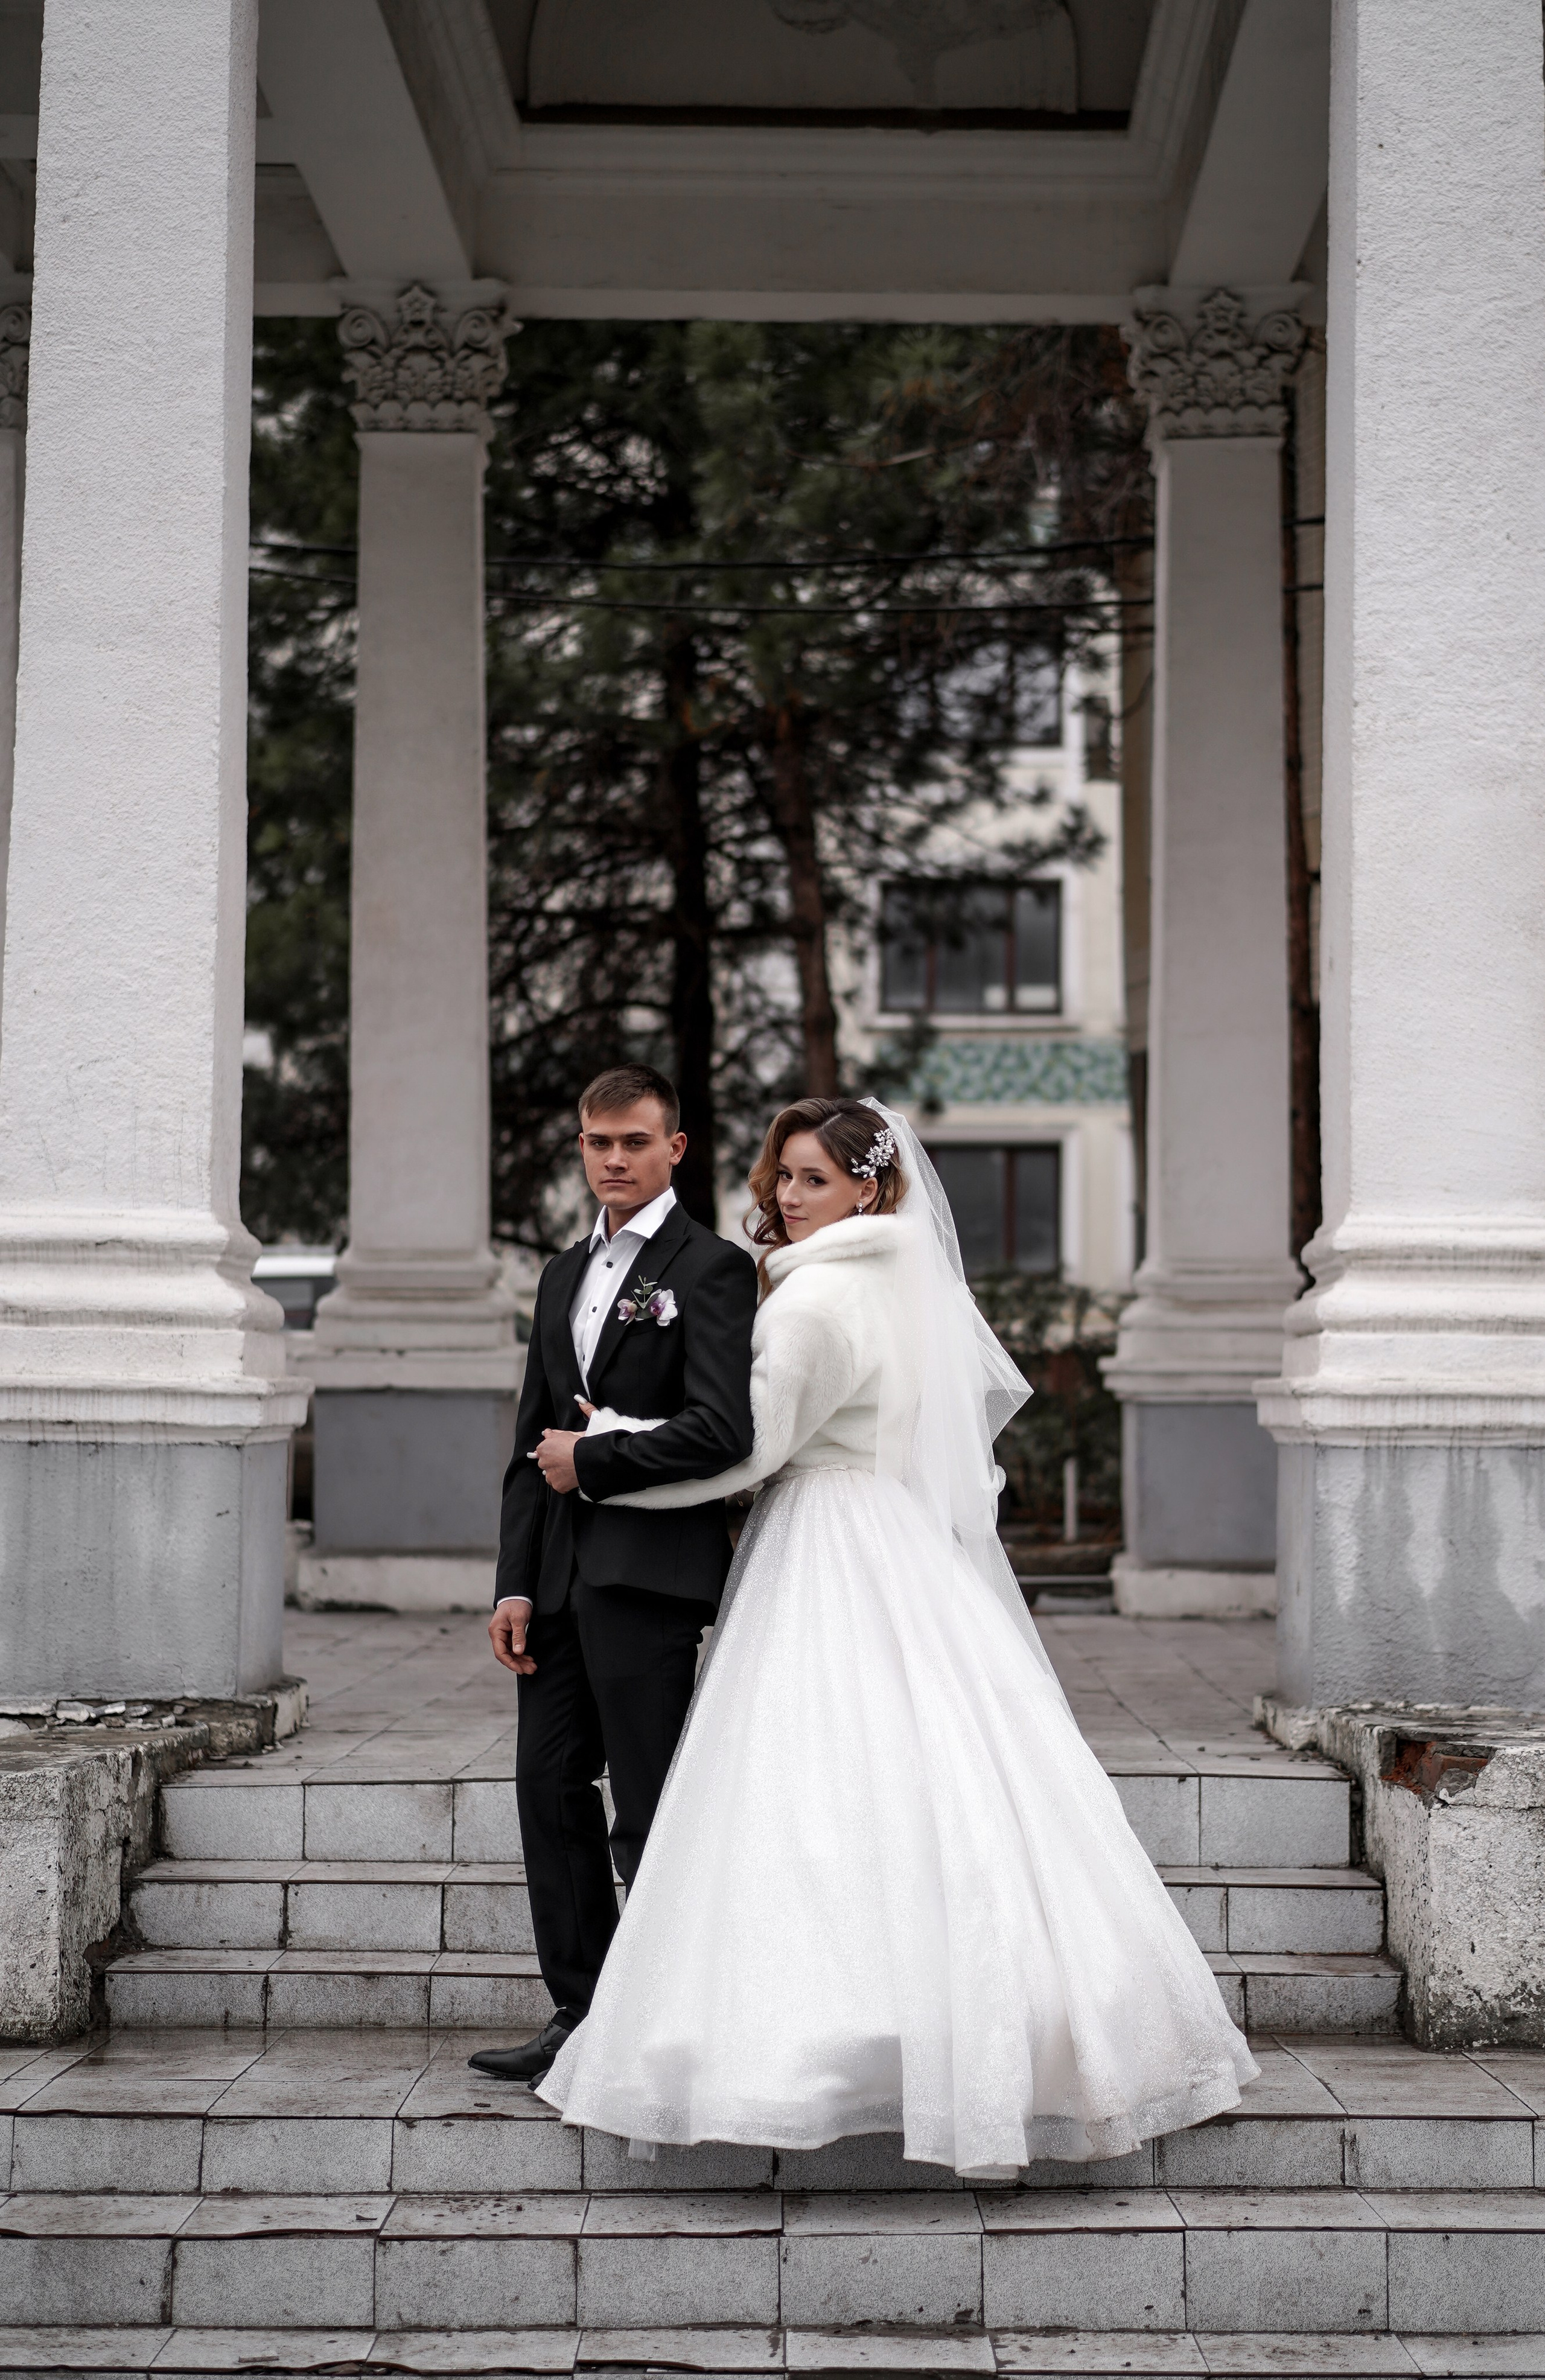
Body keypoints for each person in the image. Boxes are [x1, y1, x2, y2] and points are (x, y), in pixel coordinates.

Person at [536, 1095, 1257, 2177]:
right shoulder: (898, 1283)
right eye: (781, 1176)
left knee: (812, 1779)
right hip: (898, 1541)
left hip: (824, 1541)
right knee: (945, 1775)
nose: (785, 1196)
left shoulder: (817, 1302)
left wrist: (599, 1455)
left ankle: (819, 2049)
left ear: (867, 1186)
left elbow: (749, 1450)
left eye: (812, 1180)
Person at [469, 1065, 757, 2085]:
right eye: (599, 1143)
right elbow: (525, 1447)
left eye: (636, 1142)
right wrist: (512, 1583)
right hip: (551, 1587)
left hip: (649, 1579)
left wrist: (597, 1460)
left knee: (646, 1805)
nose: (616, 1160)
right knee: (546, 1790)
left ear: (675, 1147)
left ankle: (667, 2012)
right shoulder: (558, 1275)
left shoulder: (713, 1268)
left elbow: (725, 1432)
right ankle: (580, 2012)